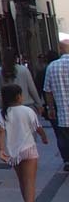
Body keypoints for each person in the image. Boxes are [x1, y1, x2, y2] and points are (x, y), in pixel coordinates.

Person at [0, 83, 48, 202]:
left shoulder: (2, 113)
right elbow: (38, 127)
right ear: (19, 96)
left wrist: (1, 150)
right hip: (29, 149)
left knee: (22, 181)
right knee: (30, 181)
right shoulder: (27, 110)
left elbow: (0, 132)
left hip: (14, 153)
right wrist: (44, 137)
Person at [42, 39, 69, 172]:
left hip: (62, 112)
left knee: (63, 137)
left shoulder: (52, 67)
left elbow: (47, 90)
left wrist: (50, 108)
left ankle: (67, 160)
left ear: (60, 49)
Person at [0, 50, 43, 118]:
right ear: (16, 58)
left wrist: (1, 109)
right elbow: (32, 89)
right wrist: (39, 104)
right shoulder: (24, 70)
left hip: (9, 108)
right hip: (27, 105)